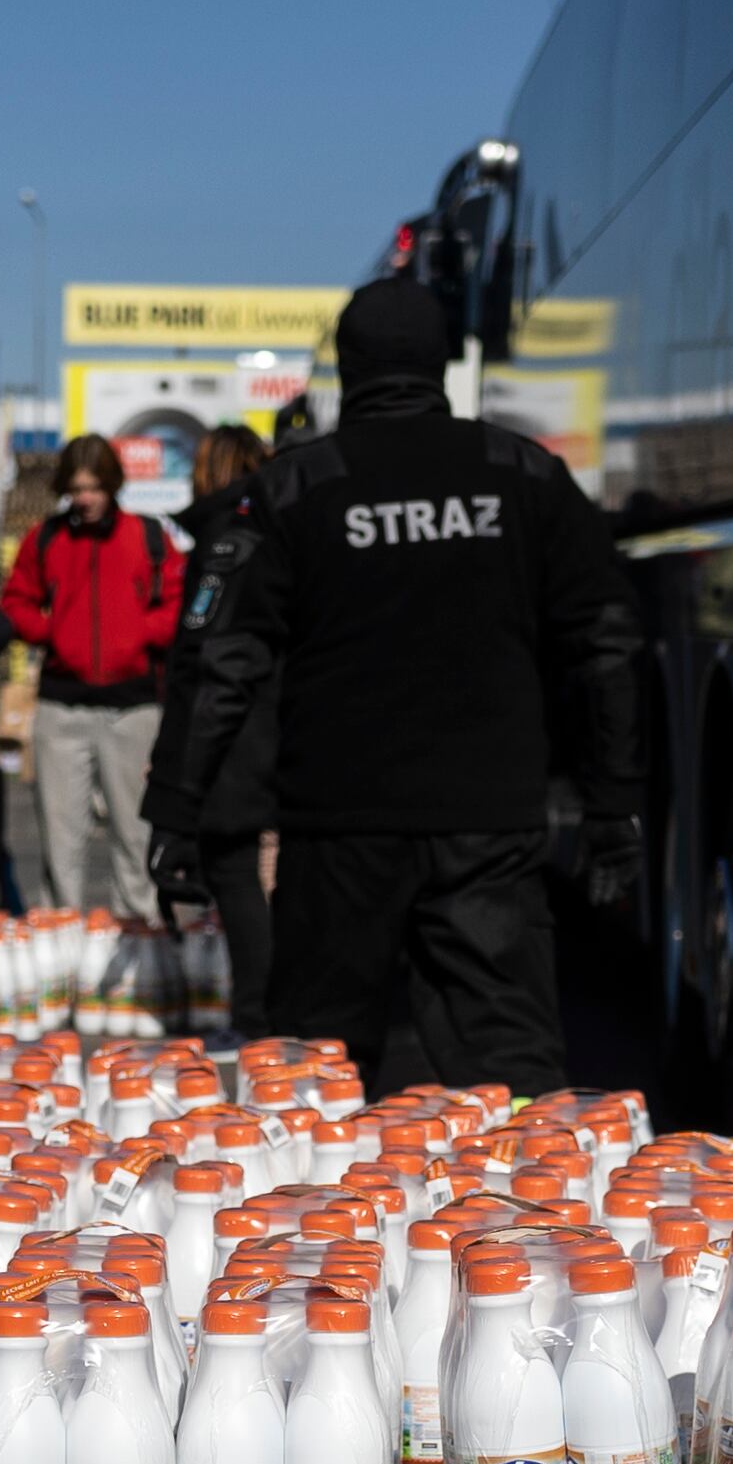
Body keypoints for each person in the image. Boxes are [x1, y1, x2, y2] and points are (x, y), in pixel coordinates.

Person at [152, 278, 646, 1090]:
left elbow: (218, 661)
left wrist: (176, 808)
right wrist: (612, 800)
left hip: (339, 828)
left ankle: (322, 1208)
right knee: (509, 1069)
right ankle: (523, 1213)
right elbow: (608, 643)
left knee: (319, 1073)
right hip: (488, 822)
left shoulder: (294, 490)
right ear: (444, 364)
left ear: (347, 370)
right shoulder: (522, 475)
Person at [0, 435, 181, 911]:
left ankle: (142, 938)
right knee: (62, 840)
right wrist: (50, 631)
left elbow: (180, 603)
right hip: (63, 707)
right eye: (77, 488)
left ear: (113, 486)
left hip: (134, 709)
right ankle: (65, 946)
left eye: (95, 487)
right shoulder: (46, 537)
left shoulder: (147, 537)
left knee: (135, 835)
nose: (85, 498)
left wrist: (141, 631)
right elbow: (15, 601)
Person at [148, 422, 280, 1017]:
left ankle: (258, 1017)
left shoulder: (225, 543)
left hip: (236, 741)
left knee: (235, 873)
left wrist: (177, 790)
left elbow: (201, 665)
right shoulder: (280, 531)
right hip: (282, 732)